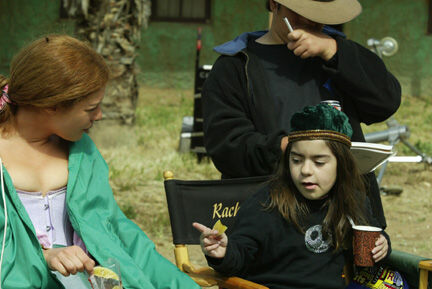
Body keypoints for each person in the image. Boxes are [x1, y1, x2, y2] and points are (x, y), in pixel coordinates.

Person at [0, 35, 199, 289]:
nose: (100, 115)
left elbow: (120, 235)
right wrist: (45, 256)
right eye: (90, 108)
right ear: (51, 105)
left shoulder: (82, 152)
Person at [201, 0, 401, 228]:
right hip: (272, 220)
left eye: (320, 14)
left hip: (347, 215)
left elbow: (386, 102)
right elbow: (226, 145)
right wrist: (292, 149)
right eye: (301, 13)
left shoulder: (338, 54)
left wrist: (334, 52)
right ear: (274, 4)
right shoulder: (235, 66)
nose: (310, 21)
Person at [193, 104, 391, 289]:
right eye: (296, 160)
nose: (305, 170)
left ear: (342, 164)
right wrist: (224, 253)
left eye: (319, 162)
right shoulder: (267, 203)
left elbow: (370, 245)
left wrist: (383, 245)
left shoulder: (352, 201)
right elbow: (240, 256)